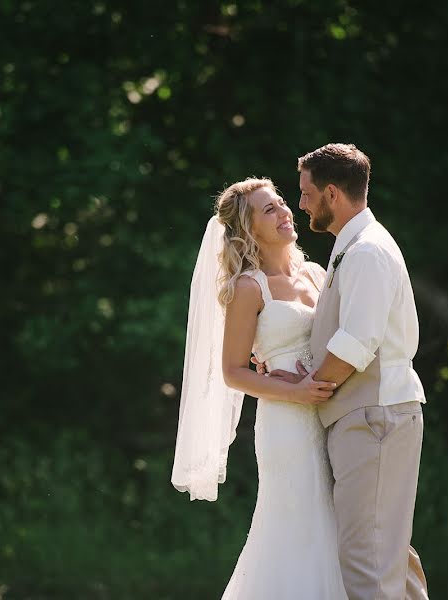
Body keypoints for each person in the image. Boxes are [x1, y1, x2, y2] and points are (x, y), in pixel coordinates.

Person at [261, 143, 429, 599]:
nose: (300, 204)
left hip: (375, 415)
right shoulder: (351, 247)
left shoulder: (366, 252)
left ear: (331, 194)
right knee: (387, 553)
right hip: (370, 414)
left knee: (365, 560)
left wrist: (303, 384)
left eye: (305, 193)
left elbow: (357, 343)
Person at [171, 177, 348, 599]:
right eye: (269, 209)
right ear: (249, 229)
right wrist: (294, 392)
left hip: (334, 414)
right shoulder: (249, 288)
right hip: (287, 422)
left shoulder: (317, 273)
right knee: (299, 529)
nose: (285, 212)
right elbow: (232, 371)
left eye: (282, 203)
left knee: (339, 527)